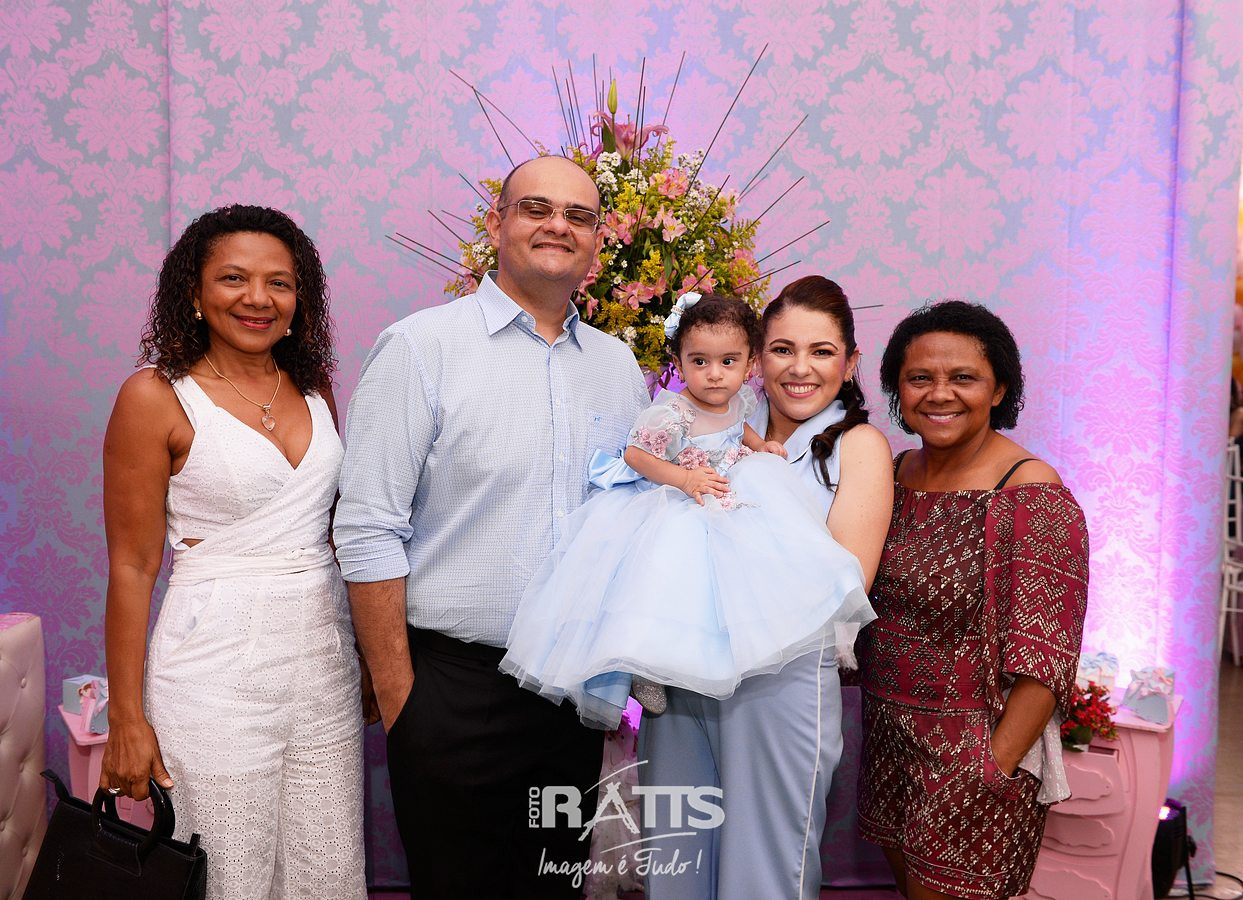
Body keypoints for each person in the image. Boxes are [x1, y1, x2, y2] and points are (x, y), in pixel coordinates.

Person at [333, 155, 649, 898]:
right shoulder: (420, 348)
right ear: (498, 223)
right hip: (453, 691)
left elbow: (634, 518)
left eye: (578, 215)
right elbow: (368, 528)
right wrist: (402, 699)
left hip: (571, 696)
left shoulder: (617, 368)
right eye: (536, 208)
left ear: (597, 240)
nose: (557, 226)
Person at [99, 204, 365, 898]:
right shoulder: (154, 396)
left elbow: (332, 534)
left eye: (279, 283)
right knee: (226, 872)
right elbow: (132, 566)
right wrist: (126, 718)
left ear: (299, 299)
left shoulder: (314, 388)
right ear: (193, 291)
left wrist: (368, 657)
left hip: (324, 664)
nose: (258, 298)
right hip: (212, 669)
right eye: (233, 278)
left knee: (328, 869)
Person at [501, 291, 875, 730]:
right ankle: (646, 664)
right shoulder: (672, 411)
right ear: (678, 364)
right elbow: (636, 455)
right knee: (665, 581)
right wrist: (683, 479)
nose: (714, 374)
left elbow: (739, 430)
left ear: (748, 364)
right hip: (681, 499)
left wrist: (762, 446)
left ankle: (715, 654)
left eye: (728, 362)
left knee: (723, 581)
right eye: (700, 362)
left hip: (722, 493)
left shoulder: (741, 401)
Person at [639, 276, 894, 900]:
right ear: (756, 357)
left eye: (821, 351)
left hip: (781, 673)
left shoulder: (857, 446)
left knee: (763, 871)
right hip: (683, 666)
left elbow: (847, 583)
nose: (799, 368)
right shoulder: (712, 424)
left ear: (850, 362)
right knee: (674, 859)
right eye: (782, 349)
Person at [859, 300, 1089, 900]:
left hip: (973, 752)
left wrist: (993, 769)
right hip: (887, 744)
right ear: (897, 389)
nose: (940, 394)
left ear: (998, 389)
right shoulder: (890, 474)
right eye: (920, 377)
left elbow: (1047, 658)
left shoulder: (1031, 492)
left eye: (963, 377)